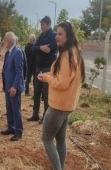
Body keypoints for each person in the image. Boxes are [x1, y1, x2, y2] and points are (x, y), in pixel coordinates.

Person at [38, 22, 85, 170]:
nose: (56, 36)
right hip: (67, 105)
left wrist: (46, 78)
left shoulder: (67, 55)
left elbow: (62, 83)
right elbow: (63, 77)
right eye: (56, 33)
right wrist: (49, 74)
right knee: (60, 140)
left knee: (46, 139)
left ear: (68, 36)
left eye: (60, 34)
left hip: (59, 105)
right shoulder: (74, 51)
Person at [27, 16, 57, 124]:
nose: (41, 27)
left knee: (46, 93)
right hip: (38, 67)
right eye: (41, 25)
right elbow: (33, 49)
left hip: (48, 68)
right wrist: (40, 48)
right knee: (36, 91)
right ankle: (35, 114)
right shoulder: (41, 36)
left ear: (48, 24)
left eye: (42, 25)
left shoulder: (53, 36)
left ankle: (46, 117)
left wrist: (44, 49)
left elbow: (51, 50)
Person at [1, 32, 25, 141]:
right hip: (8, 86)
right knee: (9, 108)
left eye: (4, 40)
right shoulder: (9, 52)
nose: (3, 42)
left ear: (9, 41)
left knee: (16, 109)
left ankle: (18, 131)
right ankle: (11, 127)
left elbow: (19, 72)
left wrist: (15, 86)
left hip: (14, 87)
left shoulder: (17, 52)